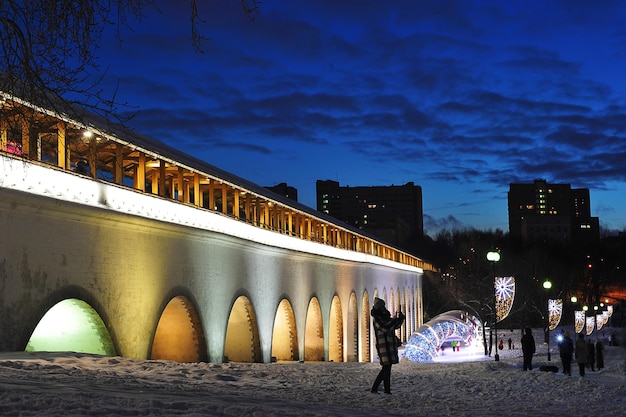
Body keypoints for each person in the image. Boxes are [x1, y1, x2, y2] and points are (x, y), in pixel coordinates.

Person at [370, 297, 405, 394]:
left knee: (387, 368)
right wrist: (395, 320)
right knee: (386, 368)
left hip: (388, 345)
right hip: (384, 346)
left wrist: (400, 319)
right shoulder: (377, 319)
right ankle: (380, 389)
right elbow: (386, 327)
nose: (384, 308)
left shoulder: (384, 318)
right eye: (382, 306)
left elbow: (393, 326)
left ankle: (383, 389)